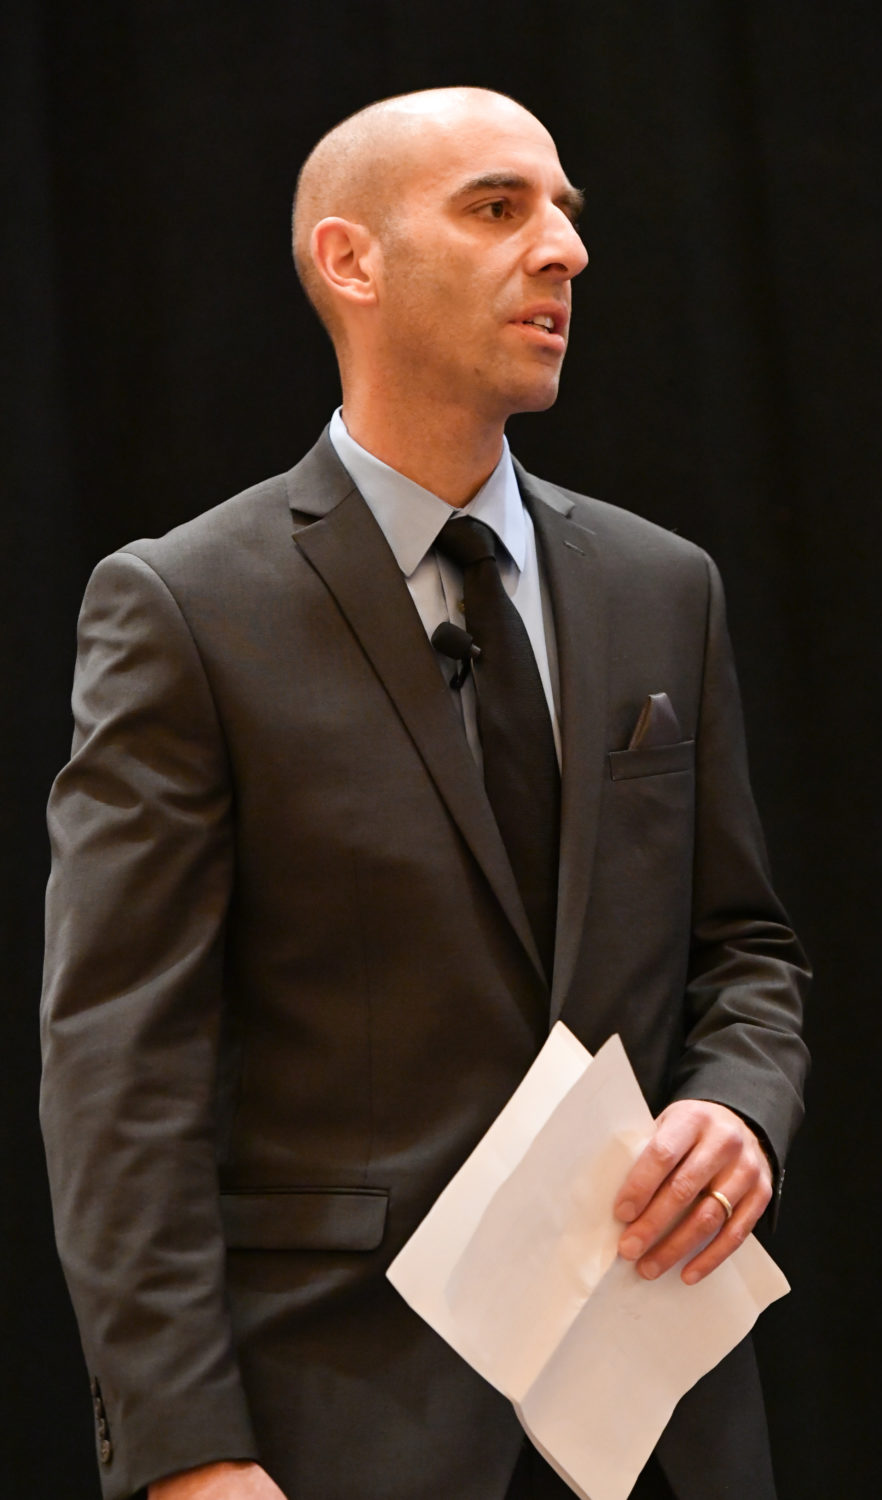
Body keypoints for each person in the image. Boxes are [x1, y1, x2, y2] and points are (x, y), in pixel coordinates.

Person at [40, 87, 809, 1500]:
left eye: (566, 213)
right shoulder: (186, 608)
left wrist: (742, 1110)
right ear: (352, 261)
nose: (564, 249)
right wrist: (188, 1449)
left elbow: (744, 948)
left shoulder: (663, 587)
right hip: (340, 1419)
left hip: (657, 1413)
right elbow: (122, 1067)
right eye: (498, 208)